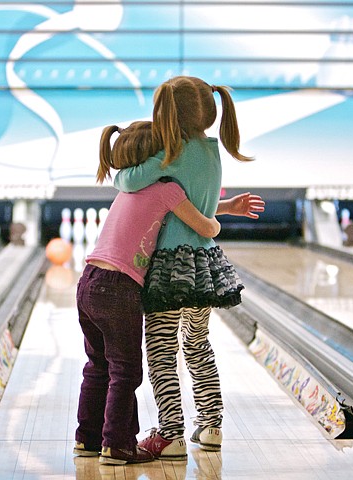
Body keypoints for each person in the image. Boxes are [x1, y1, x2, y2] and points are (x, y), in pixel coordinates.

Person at [112, 76, 264, 460]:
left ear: (165, 115)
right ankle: (211, 425)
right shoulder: (211, 151)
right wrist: (227, 209)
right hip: (204, 264)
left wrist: (117, 169)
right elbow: (200, 208)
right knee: (198, 345)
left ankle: (171, 431)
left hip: (168, 267)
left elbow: (127, 181)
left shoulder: (169, 152)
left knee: (161, 348)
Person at [74, 120, 222, 466]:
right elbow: (204, 224)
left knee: (96, 365)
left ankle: (87, 439)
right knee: (126, 371)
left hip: (89, 281)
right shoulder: (167, 188)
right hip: (120, 288)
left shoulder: (127, 188)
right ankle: (117, 445)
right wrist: (216, 222)